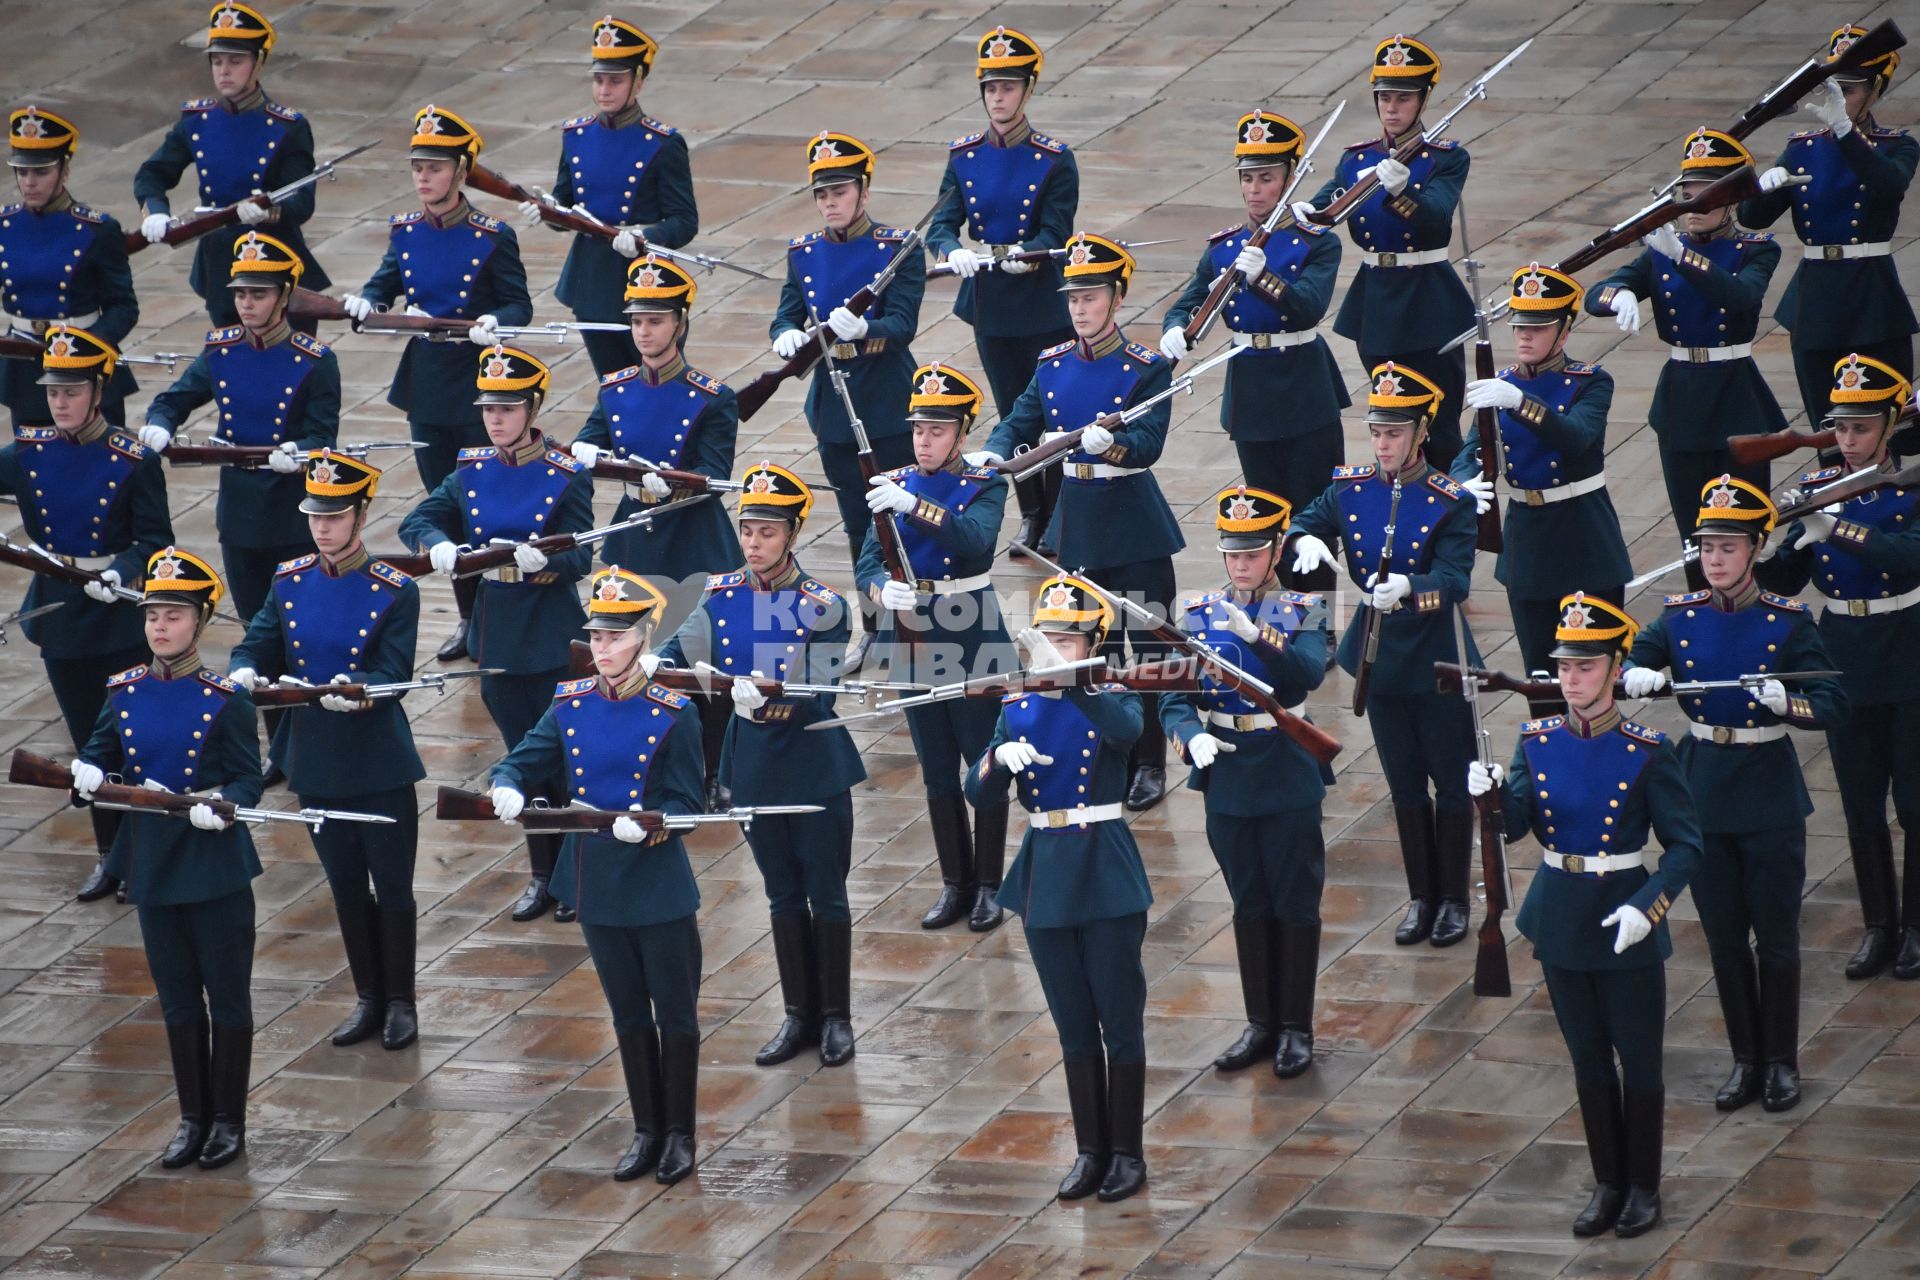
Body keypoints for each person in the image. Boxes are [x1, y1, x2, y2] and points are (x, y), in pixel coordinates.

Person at [1469, 592, 1701, 1238]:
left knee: (1642, 1063)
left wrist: (1648, 906)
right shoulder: (1536, 741)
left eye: (1586, 667)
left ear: (1615, 668)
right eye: (1564, 669)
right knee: (1589, 1062)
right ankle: (1608, 1182)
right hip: (1563, 916)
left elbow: (1686, 846)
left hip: (1625, 915)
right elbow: (1518, 825)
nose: (1572, 680)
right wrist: (1487, 797)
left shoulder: (1648, 750)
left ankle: (1644, 1187)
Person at [1626, 476, 1846, 1113]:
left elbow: (1833, 700)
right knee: (1723, 937)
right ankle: (1745, 1058)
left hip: (1769, 790)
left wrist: (1791, 701)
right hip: (1704, 789)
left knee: (1775, 937)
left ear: (1755, 550)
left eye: (1728, 548)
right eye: (1707, 549)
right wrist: (1642, 667)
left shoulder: (1787, 620)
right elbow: (1644, 646)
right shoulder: (1679, 617)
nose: (1715, 560)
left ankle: (1780, 1059)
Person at [489, 568, 703, 1184]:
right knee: (629, 1014)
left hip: (657, 883)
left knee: (676, 1016)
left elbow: (690, 803)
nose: (602, 649)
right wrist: (506, 783)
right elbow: (524, 758)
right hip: (597, 880)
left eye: (614, 637)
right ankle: (646, 1129)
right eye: (597, 638)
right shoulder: (570, 704)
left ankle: (680, 1133)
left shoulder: (674, 712)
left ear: (641, 637)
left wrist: (655, 824)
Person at [659, 464, 866, 1069]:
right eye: (747, 529)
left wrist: (767, 693)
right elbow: (680, 652)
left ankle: (835, 1017)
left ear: (793, 534)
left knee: (824, 894)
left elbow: (821, 688)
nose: (753, 541)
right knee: (780, 895)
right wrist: (652, 661)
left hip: (812, 764)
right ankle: (798, 1015)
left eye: (767, 532)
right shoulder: (720, 594)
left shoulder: (823, 605)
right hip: (751, 765)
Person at [977, 233, 1183, 811]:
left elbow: (1148, 444)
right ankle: (1101, 744)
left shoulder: (1145, 368)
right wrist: (994, 453)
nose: (1081, 308)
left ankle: (1148, 761)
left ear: (1117, 299)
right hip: (1078, 522)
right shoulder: (1053, 365)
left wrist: (1109, 445)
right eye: (1073, 298)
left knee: (1145, 646)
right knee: (1089, 645)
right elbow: (1019, 417)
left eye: (1091, 297)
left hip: (1133, 520)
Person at [229, 451, 426, 1050]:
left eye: (335, 516)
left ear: (361, 515)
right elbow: (257, 643)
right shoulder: (289, 582)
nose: (322, 526)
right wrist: (243, 672)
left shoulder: (396, 589)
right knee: (344, 885)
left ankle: (401, 1002)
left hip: (377, 760)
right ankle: (367, 996)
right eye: (316, 515)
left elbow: (393, 672)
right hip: (315, 759)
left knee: (391, 887)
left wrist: (358, 694)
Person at [72, 547, 261, 1171]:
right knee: (178, 1000)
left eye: (175, 615)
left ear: (200, 621)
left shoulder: (224, 697)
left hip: (212, 866)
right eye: (153, 614)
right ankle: (191, 1117)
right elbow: (99, 751)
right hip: (152, 864)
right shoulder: (124, 691)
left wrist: (221, 803)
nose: (160, 626)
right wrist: (86, 772)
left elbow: (248, 780)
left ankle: (227, 1121)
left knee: (226, 998)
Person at [965, 577, 1151, 1203]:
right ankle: (1090, 1150)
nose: (1054, 647)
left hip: (1103, 867)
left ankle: (1126, 1150)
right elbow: (977, 791)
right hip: (1046, 870)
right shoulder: (1017, 704)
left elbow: (1125, 730)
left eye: (1069, 639)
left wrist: (1076, 679)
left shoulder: (1113, 693)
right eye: (1048, 636)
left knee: (1119, 1022)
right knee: (1073, 1026)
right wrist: (996, 762)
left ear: (1093, 643)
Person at [399, 346, 591, 922]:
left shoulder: (565, 474)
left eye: (507, 409)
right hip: (498, 632)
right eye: (488, 409)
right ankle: (541, 874)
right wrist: (436, 545)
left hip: (551, 632)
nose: (496, 419)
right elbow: (418, 519)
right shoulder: (471, 469)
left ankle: (573, 876)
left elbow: (581, 556)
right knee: (520, 760)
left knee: (564, 760)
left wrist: (546, 563)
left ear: (531, 408)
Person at [1291, 362, 1479, 948]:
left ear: (1421, 433)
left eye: (1394, 434)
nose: (1383, 444)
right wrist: (1307, 539)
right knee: (1403, 785)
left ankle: (1452, 897)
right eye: (1376, 432)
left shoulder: (1449, 500)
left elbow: (1455, 578)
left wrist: (1412, 588)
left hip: (1437, 656)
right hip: (1380, 656)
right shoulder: (1349, 488)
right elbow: (1302, 520)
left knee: (1450, 783)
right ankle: (1420, 896)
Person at [345, 104, 532, 662]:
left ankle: (499, 617)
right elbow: (386, 283)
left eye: (434, 166)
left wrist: (499, 323)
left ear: (460, 170)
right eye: (417, 168)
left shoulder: (491, 235)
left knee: (484, 505)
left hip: (478, 384)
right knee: (443, 509)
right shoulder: (405, 231)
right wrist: (367, 300)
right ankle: (468, 620)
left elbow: (518, 302)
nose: (424, 177)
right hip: (427, 383)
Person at [1759, 354, 1920, 980]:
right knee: (1859, 800)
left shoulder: (1910, 485)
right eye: (1839, 430)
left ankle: (1915, 925)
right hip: (1845, 654)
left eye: (1859, 428)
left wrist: (1837, 529)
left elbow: (1907, 556)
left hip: (1908, 646)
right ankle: (1879, 925)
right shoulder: (1816, 493)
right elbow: (1783, 582)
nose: (1847, 441)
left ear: (1888, 426)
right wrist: (1757, 547)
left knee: (1913, 800)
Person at [1161, 487, 1329, 1077]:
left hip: (1284, 766)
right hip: (1227, 769)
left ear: (1277, 549)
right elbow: (1172, 696)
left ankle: (1296, 1027)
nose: (1241, 564)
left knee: (1294, 902)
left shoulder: (1302, 610)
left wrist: (1261, 637)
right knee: (1249, 901)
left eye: (1253, 554)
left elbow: (1306, 676)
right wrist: (1189, 734)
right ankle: (1260, 1023)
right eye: (1233, 554)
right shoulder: (1197, 615)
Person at [0, 327, 171, 903]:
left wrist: (121, 571)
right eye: (52, 393)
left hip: (119, 616)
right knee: (87, 747)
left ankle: (140, 854)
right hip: (63, 615)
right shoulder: (31, 451)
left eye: (71, 392)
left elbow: (157, 542)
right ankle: (108, 857)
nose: (60, 403)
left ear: (97, 392)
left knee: (131, 740)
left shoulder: (132, 459)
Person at [571, 253, 742, 808]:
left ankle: (711, 772)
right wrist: (587, 453)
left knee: (699, 666)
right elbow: (591, 439)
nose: (644, 332)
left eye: (656, 320)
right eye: (638, 321)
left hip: (690, 541)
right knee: (627, 654)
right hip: (633, 539)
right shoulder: (616, 387)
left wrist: (669, 485)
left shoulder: (711, 396)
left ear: (680, 324)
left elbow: (714, 474)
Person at [1589, 129, 1785, 589]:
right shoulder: (1658, 253)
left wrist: (1682, 257)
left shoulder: (1754, 250)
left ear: (1731, 199)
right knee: (1694, 532)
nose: (1692, 205)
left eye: (1704, 195)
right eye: (1687, 194)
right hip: (1683, 398)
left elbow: (1739, 296)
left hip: (1737, 394)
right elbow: (1595, 292)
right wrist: (1617, 296)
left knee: (1745, 523)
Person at [858, 362, 1013, 932]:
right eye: (920, 430)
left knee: (984, 761)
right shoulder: (893, 482)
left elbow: (974, 539)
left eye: (938, 431)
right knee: (937, 768)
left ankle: (990, 885)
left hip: (971, 632)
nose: (925, 441)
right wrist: (880, 589)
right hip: (914, 636)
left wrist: (913, 507)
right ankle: (956, 881)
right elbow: (867, 559)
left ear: (962, 434)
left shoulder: (984, 484)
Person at [770, 131, 923, 670]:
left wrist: (862, 330)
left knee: (900, 522)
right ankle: (875, 627)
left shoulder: (897, 247)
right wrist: (785, 335)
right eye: (822, 194)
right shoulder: (803, 253)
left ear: (862, 190)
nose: (830, 202)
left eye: (840, 191)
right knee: (859, 523)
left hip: (886, 403)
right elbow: (787, 311)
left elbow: (902, 324)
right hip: (834, 409)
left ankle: (913, 628)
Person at [1161, 110, 1347, 553]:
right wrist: (1174, 329)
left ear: (1288, 178)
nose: (1254, 189)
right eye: (1247, 178)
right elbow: (1187, 303)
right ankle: (1275, 618)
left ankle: (1316, 619)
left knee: (1313, 515)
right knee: (1263, 519)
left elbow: (1308, 309)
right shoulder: (1224, 247)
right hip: (1251, 392)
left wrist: (1265, 280)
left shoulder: (1317, 242)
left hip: (1304, 386)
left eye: (1265, 177)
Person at [926, 24, 1077, 556]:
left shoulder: (1054, 159)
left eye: (1008, 87)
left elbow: (1056, 232)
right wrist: (950, 251)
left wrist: (1025, 253)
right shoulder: (964, 156)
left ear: (1027, 90)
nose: (999, 97)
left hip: (1040, 305)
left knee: (1052, 414)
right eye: (991, 88)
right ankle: (1032, 515)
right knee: (1013, 412)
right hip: (991, 306)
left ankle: (1059, 516)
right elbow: (941, 222)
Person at [140, 232, 340, 632]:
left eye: (258, 294)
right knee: (253, 621)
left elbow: (323, 437)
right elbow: (174, 400)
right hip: (239, 509)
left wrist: (298, 451)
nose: (247, 304)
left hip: (289, 509)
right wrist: (160, 426)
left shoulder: (315, 360)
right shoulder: (222, 351)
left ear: (283, 296)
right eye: (241, 294)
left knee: (299, 622)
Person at [1455, 264, 1630, 715]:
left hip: (1583, 536)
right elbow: (1472, 449)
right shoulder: (1503, 386)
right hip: (1528, 540)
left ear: (1564, 330)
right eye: (1519, 326)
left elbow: (1576, 436)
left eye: (1538, 326)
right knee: (1542, 680)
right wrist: (1464, 484)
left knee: (1594, 678)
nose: (1525, 336)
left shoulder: (1591, 382)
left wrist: (1520, 403)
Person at [1292, 35, 1473, 467]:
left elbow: (1436, 217)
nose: (1392, 107)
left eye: (1403, 97)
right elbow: (1325, 207)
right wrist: (1301, 213)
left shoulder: (1446, 158)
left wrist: (1402, 189)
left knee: (1439, 425)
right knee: (1391, 422)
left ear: (1424, 98)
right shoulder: (1357, 160)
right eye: (1384, 97)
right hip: (1376, 302)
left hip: (1430, 301)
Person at [1739, 24, 1914, 429]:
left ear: (1874, 91)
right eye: (1833, 87)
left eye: (1849, 89)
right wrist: (1760, 188)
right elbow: (1751, 220)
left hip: (1872, 298)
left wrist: (1845, 132)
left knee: (1894, 427)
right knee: (1826, 427)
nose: (1838, 96)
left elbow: (1889, 185)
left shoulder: (1896, 146)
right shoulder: (1803, 148)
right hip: (1816, 301)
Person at [518, 15, 697, 377]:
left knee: (658, 380)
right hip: (592, 282)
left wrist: (645, 236)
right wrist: (548, 211)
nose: (604, 90)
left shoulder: (662, 143)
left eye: (615, 80)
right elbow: (566, 203)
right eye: (599, 80)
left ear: (638, 81)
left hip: (646, 282)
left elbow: (684, 221)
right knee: (612, 385)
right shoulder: (577, 136)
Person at [133, 2, 331, 330]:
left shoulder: (287, 127)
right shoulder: (198, 122)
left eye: (236, 61)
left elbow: (302, 202)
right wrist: (155, 210)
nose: (224, 70)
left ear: (258, 63)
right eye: (217, 60)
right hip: (222, 262)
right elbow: (152, 173)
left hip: (275, 262)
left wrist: (268, 210)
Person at [0, 106, 138, 429]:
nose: (29, 182)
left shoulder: (97, 229)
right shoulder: (4, 226)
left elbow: (123, 307)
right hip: (24, 366)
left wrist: (89, 345)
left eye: (41, 172)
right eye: (22, 172)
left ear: (64, 171)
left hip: (84, 363)